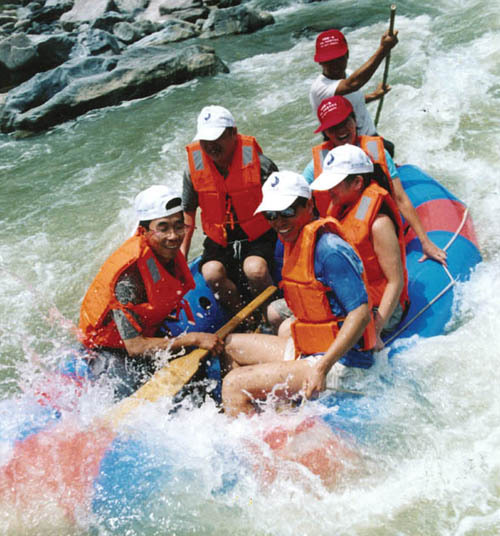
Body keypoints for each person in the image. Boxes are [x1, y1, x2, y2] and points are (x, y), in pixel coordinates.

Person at [221, 171, 376, 417]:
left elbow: (361, 313)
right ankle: (269, 418)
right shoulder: (292, 240)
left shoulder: (329, 250)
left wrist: (322, 368)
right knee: (229, 346)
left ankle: (255, 448)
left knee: (233, 384)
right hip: (312, 350)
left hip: (342, 362)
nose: (279, 221)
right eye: (271, 215)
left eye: (288, 212)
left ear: (309, 205)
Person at [79, 185, 224, 398]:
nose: (174, 236)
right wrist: (193, 339)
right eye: (163, 228)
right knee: (142, 397)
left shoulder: (165, 253)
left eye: (178, 226)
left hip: (146, 331)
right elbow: (135, 347)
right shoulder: (128, 281)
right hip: (109, 349)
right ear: (144, 231)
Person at [303, 95, 447, 265]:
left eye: (344, 122)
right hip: (341, 234)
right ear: (325, 133)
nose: (341, 130)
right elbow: (301, 206)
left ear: (355, 120)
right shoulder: (315, 167)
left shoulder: (378, 154)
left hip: (378, 228)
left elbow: (400, 198)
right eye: (333, 127)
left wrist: (425, 241)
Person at [182, 105, 278, 318]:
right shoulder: (192, 171)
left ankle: (270, 315)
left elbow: (280, 205)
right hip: (220, 239)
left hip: (258, 235)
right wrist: (180, 259)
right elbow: (188, 213)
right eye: (205, 141)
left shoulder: (261, 165)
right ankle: (245, 318)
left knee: (255, 269)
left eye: (217, 138)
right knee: (210, 272)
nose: (210, 146)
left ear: (233, 133)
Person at [311, 144, 408, 350]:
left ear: (357, 182)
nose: (329, 190)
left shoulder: (379, 223)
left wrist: (377, 329)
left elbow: (395, 282)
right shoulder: (340, 208)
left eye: (334, 183)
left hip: (377, 308)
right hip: (347, 297)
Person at [309, 28, 398, 154]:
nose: (335, 64)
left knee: (389, 149)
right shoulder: (320, 88)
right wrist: (384, 49)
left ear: (347, 55)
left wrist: (374, 95)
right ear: (320, 62)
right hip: (350, 144)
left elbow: (352, 99)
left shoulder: (348, 74)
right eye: (328, 61)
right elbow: (354, 84)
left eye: (339, 58)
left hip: (369, 136)